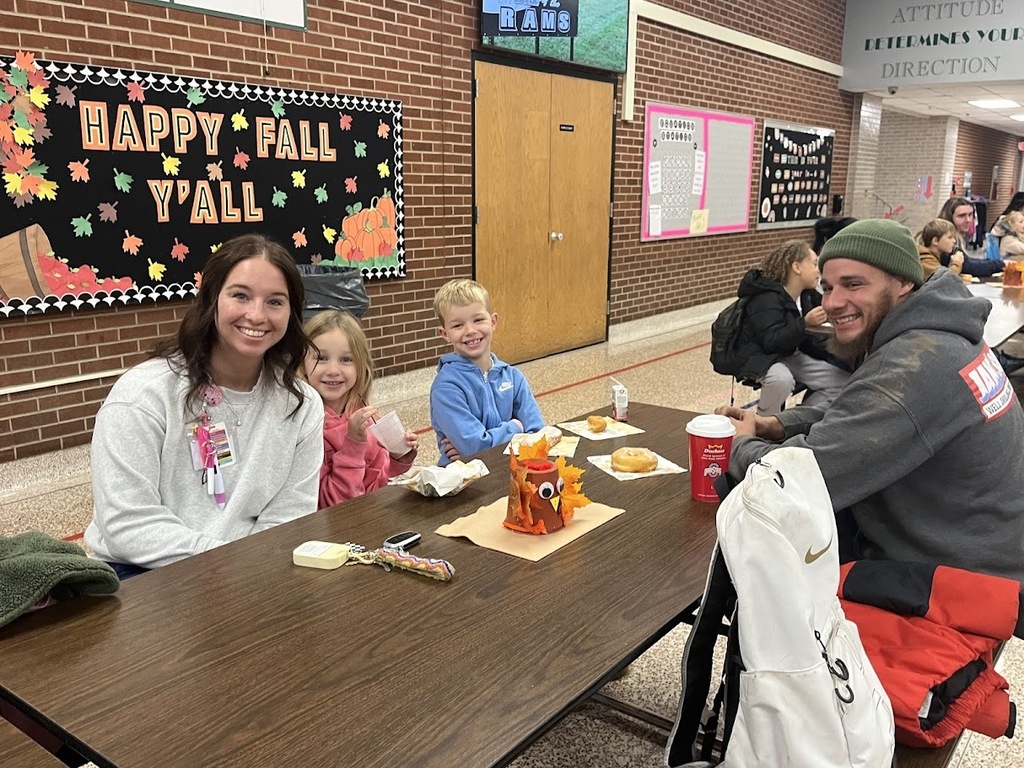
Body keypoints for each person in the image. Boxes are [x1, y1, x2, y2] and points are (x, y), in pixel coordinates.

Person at [716, 219, 1024, 586]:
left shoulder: (917, 365)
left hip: (957, 581)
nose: (832, 303)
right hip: (979, 547)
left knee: (764, 561)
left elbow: (798, 482)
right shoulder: (940, 335)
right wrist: (779, 424)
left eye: (853, 284)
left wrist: (737, 445)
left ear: (904, 282)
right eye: (827, 287)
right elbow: (861, 408)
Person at [84, 234, 324, 578]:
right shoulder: (143, 395)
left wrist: (252, 571)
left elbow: (291, 515)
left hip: (254, 567)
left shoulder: (301, 404)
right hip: (143, 572)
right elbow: (126, 522)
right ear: (211, 300)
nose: (256, 315)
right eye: (240, 295)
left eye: (275, 301)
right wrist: (231, 564)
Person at [302, 310, 418, 509]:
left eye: (346, 360)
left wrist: (398, 459)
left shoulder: (361, 412)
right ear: (302, 363)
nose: (333, 370)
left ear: (361, 365)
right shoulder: (306, 428)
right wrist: (353, 444)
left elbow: (378, 483)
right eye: (321, 358)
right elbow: (336, 505)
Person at [429, 278, 544, 465]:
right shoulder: (445, 388)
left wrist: (484, 444)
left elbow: (538, 435)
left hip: (510, 471)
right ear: (445, 334)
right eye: (458, 325)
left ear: (493, 322)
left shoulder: (514, 377)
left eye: (478, 320)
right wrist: (516, 427)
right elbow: (474, 448)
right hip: (465, 482)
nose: (470, 330)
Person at [732, 241, 851, 416]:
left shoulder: (806, 295)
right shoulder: (766, 298)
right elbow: (771, 342)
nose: (818, 270)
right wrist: (804, 324)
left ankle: (796, 419)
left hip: (789, 353)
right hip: (760, 356)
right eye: (813, 264)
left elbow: (828, 310)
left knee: (842, 382)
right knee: (781, 379)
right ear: (797, 267)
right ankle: (764, 423)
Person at [935, 196, 1004, 277]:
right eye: (962, 216)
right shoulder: (944, 237)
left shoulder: (957, 235)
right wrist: (1000, 264)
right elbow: (967, 266)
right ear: (949, 217)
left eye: (970, 215)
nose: (968, 220)